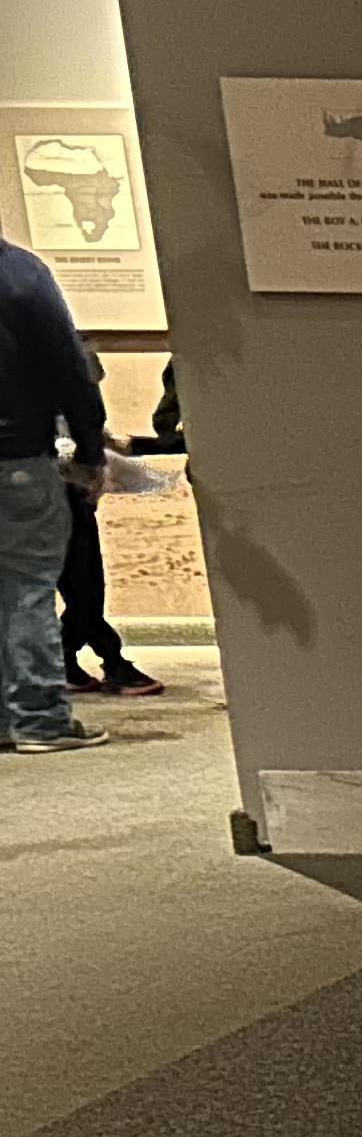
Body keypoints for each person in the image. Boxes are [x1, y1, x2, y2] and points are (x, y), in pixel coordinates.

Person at [0, 236, 111, 751]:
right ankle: (39, 718)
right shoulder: (20, 275)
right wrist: (90, 449)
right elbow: (69, 366)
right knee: (27, 587)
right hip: (16, 453)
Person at [61, 347, 157, 698]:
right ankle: (110, 660)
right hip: (56, 492)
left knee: (80, 586)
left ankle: (67, 660)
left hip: (61, 491)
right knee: (83, 585)